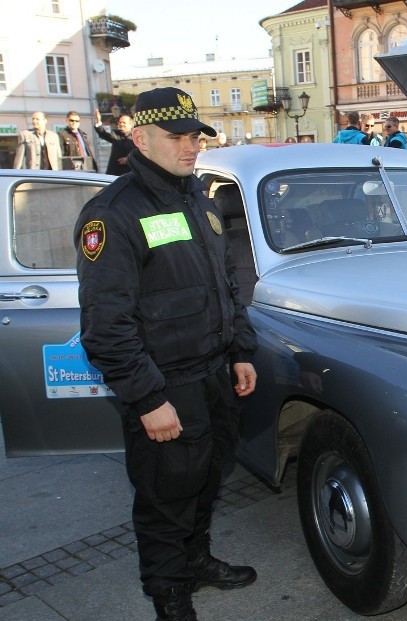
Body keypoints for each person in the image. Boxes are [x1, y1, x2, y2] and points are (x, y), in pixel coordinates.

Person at [75, 87, 258, 621]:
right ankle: (168, 593)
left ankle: (195, 561)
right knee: (165, 496)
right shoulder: (112, 214)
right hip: (165, 387)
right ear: (140, 139)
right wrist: (147, 398)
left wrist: (240, 351)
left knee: (206, 480)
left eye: (194, 136)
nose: (190, 147)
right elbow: (106, 326)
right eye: (176, 137)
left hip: (214, 376)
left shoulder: (198, 198)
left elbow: (226, 285)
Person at [94, 108, 135, 175]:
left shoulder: (136, 137)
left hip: (130, 173)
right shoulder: (116, 134)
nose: (121, 124)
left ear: (131, 125)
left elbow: (140, 152)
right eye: (120, 122)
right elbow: (103, 134)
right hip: (114, 173)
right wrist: (98, 122)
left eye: (124, 122)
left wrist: (129, 159)